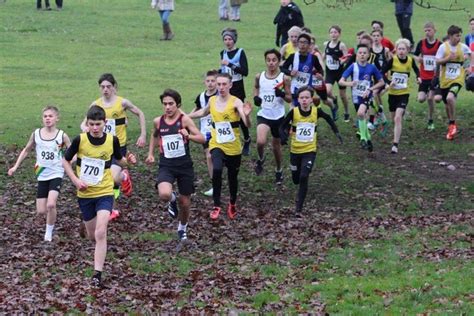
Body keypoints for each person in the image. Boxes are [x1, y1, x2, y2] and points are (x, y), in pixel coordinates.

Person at [63, 105, 134, 288]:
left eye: (98, 124)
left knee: (101, 232)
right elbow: (65, 160)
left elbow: (120, 160)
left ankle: (97, 275)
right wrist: (75, 180)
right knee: (92, 235)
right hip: (85, 193)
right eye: (92, 124)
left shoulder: (112, 140)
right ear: (87, 124)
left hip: (105, 192)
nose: (95, 128)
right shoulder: (80, 140)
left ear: (105, 123)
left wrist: (129, 161)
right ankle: (87, 228)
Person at [189, 73, 252, 220]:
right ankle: (216, 205)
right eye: (219, 84)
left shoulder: (236, 102)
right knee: (216, 169)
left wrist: (247, 115)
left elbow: (247, 124)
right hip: (217, 144)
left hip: (233, 147)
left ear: (230, 85)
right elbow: (202, 112)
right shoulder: (212, 101)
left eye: (224, 84)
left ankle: (232, 203)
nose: (221, 87)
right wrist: (186, 116)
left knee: (232, 177)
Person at [81, 73, 145, 219]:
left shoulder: (122, 103)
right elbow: (84, 123)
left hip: (118, 147)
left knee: (113, 177)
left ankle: (123, 177)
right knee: (105, 179)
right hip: (102, 147)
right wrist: (85, 129)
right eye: (102, 87)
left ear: (114, 87)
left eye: (108, 87)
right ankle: (113, 210)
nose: (105, 90)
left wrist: (142, 134)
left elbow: (140, 113)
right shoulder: (96, 104)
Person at [146, 89, 205, 244]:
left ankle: (182, 228)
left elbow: (202, 138)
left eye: (171, 104)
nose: (167, 107)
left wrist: (189, 136)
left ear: (178, 104)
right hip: (166, 164)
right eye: (165, 104)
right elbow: (154, 135)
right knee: (164, 194)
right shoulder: (158, 121)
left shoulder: (184, 120)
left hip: (184, 166)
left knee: (185, 202)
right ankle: (172, 200)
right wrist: (151, 153)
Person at [8, 106, 71, 242]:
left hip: (56, 172)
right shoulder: (36, 134)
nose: (47, 118)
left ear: (56, 118)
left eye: (50, 116)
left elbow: (72, 152)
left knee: (51, 204)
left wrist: (70, 163)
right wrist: (15, 166)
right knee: (41, 211)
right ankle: (50, 218)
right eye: (45, 116)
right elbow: (26, 150)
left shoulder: (62, 135)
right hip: (42, 174)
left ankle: (48, 233)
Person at [279, 86, 342, 213]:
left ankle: (298, 208)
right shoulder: (294, 112)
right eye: (301, 98)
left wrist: (336, 132)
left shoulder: (316, 111)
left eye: (307, 97)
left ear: (311, 99)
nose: (304, 100)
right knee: (296, 179)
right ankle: (296, 177)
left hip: (310, 150)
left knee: (304, 176)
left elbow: (329, 118)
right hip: (295, 151)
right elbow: (282, 126)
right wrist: (283, 136)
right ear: (298, 99)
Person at [253, 49, 291, 183]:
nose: (271, 63)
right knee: (260, 141)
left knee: (276, 147)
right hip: (264, 114)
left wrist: (281, 94)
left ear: (279, 61)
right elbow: (256, 87)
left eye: (274, 60)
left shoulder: (284, 78)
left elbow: (289, 99)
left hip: (278, 117)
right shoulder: (260, 76)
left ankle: (279, 170)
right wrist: (256, 97)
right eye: (268, 60)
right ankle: (261, 158)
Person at [339, 44, 385, 152]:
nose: (362, 55)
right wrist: (350, 83)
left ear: (368, 55)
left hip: (366, 95)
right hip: (356, 96)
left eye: (365, 53)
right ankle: (368, 138)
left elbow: (381, 82)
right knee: (362, 117)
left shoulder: (372, 67)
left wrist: (370, 89)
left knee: (360, 114)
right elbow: (341, 81)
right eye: (360, 53)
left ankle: (363, 138)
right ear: (357, 55)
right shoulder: (353, 66)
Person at [381, 38, 421, 154]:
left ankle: (395, 144)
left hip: (404, 94)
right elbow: (381, 72)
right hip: (393, 94)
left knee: (398, 117)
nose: (401, 51)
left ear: (408, 50)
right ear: (396, 50)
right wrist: (388, 82)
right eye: (399, 49)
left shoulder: (410, 60)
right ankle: (396, 133)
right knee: (394, 119)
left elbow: (416, 70)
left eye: (403, 49)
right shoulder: (392, 61)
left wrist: (418, 77)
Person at [435, 25, 472, 140]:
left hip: (458, 78)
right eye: (457, 36)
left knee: (450, 98)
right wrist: (448, 59)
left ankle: (452, 123)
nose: (459, 38)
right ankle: (451, 125)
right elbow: (437, 61)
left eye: (460, 35)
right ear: (450, 36)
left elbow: (471, 54)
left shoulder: (463, 47)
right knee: (446, 104)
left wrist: (471, 66)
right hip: (445, 79)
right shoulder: (443, 47)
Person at [219, 27, 251, 155]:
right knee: (227, 113)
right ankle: (230, 139)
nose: (227, 42)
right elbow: (223, 70)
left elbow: (245, 72)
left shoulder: (240, 52)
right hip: (227, 88)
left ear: (234, 40)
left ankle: (247, 138)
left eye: (230, 39)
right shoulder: (223, 53)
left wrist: (230, 65)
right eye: (225, 39)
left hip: (238, 87)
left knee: (240, 113)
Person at [190, 70, 219, 197]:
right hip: (205, 131)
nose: (210, 83)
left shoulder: (220, 95)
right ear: (204, 82)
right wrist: (187, 118)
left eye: (213, 81)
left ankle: (219, 179)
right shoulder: (201, 96)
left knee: (218, 157)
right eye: (208, 81)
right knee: (208, 156)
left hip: (218, 130)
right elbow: (197, 109)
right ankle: (215, 185)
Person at [280, 33, 325, 107]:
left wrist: (320, 75)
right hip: (295, 87)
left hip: (308, 88)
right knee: (296, 107)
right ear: (297, 44)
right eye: (300, 42)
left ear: (309, 45)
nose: (302, 45)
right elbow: (282, 68)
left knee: (305, 108)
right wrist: (290, 72)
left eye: (305, 42)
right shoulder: (293, 57)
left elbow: (320, 70)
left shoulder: (313, 58)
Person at [413, 22, 441, 130]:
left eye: (429, 30)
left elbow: (443, 57)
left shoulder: (439, 44)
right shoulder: (421, 43)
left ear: (434, 30)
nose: (427, 32)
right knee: (421, 99)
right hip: (424, 76)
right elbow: (414, 54)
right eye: (425, 30)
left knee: (430, 98)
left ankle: (430, 119)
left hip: (434, 76)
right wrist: (418, 59)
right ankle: (427, 97)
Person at [323, 25, 350, 122]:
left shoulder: (341, 45)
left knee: (343, 95)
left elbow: (347, 58)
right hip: (330, 72)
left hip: (340, 73)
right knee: (327, 91)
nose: (333, 34)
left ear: (339, 34)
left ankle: (346, 112)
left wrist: (339, 59)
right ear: (329, 34)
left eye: (335, 32)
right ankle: (334, 99)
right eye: (331, 32)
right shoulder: (326, 44)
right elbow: (324, 56)